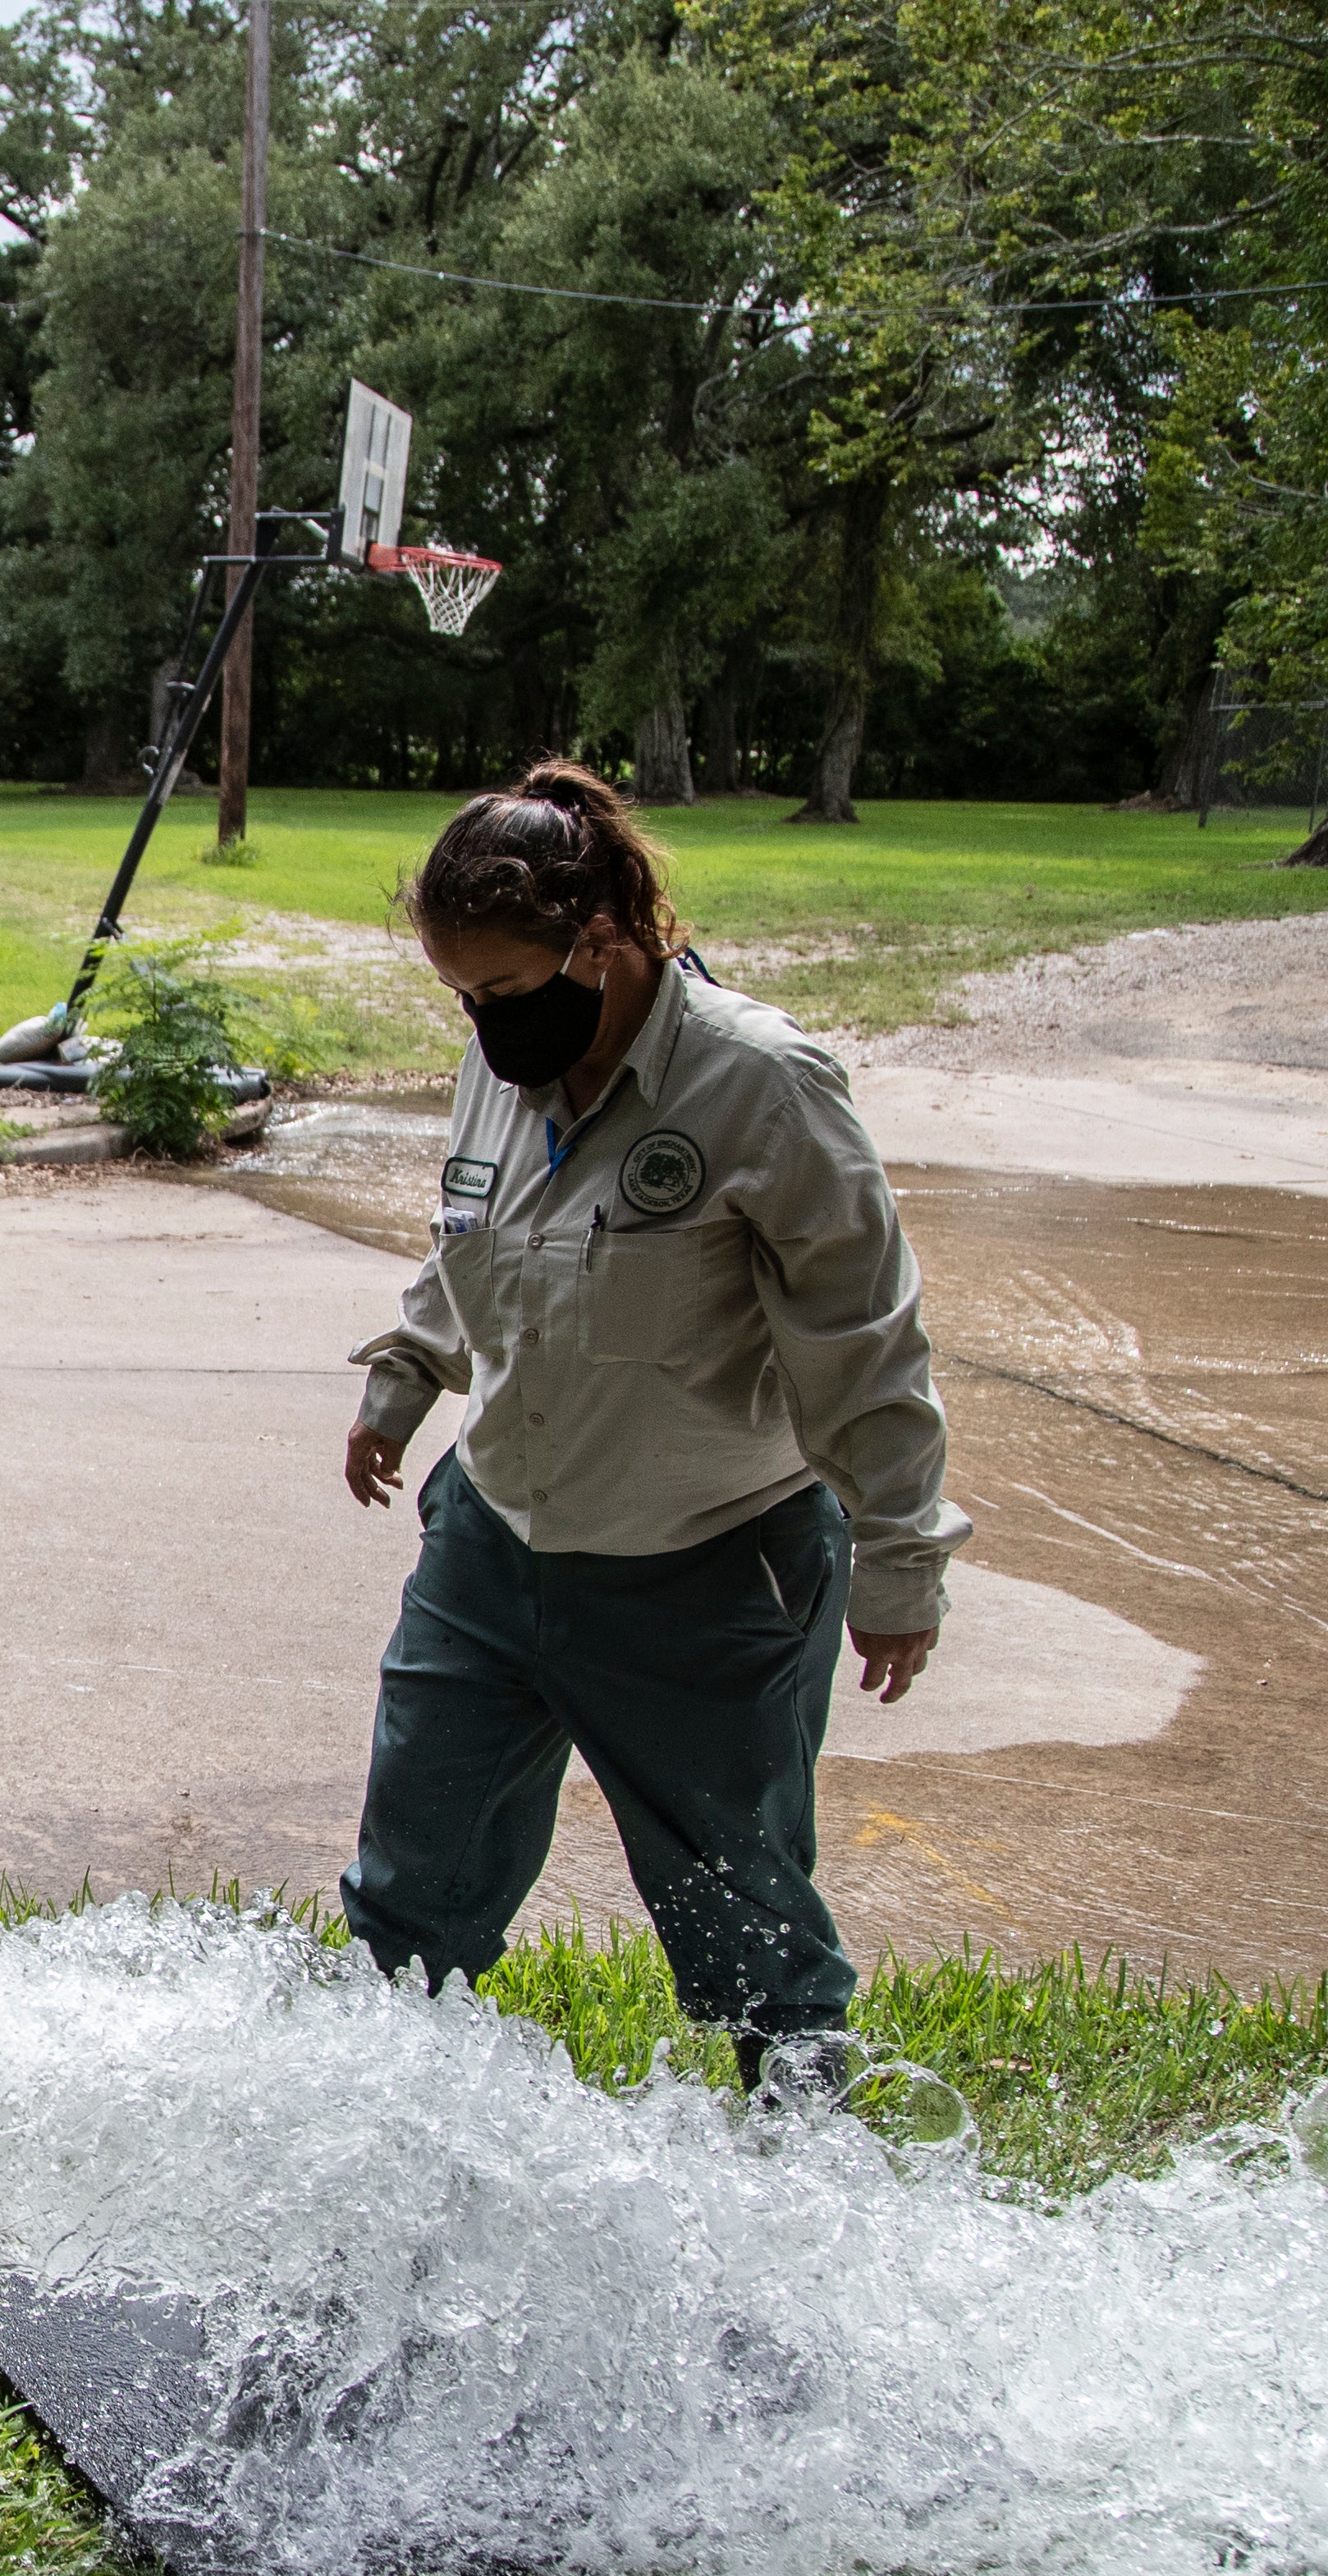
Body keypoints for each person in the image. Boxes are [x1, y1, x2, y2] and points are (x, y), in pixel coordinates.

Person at [338, 761, 968, 2085]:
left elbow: (865, 1340)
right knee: (409, 1891)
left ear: (609, 934)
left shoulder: (763, 1087)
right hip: (496, 1543)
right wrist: (407, 1375)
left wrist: (903, 1556)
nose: (486, 1021)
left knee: (744, 1924)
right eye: (464, 993)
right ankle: (372, 2152)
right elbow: (467, 1230)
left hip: (706, 1562)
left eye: (508, 989)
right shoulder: (499, 1064)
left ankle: (807, 2182)